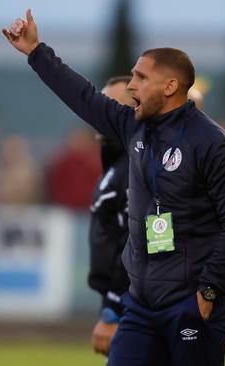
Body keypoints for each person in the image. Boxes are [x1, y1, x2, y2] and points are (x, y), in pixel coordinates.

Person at [2, 10, 225, 366]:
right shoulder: (133, 127)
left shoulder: (213, 144)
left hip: (191, 304)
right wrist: (35, 51)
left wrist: (209, 289)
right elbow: (83, 96)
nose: (131, 86)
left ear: (170, 87)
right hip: (141, 305)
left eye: (141, 78)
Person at [88, 76, 135, 357]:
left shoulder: (133, 166)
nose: (100, 112)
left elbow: (136, 239)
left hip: (132, 303)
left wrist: (114, 306)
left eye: (111, 104)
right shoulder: (118, 162)